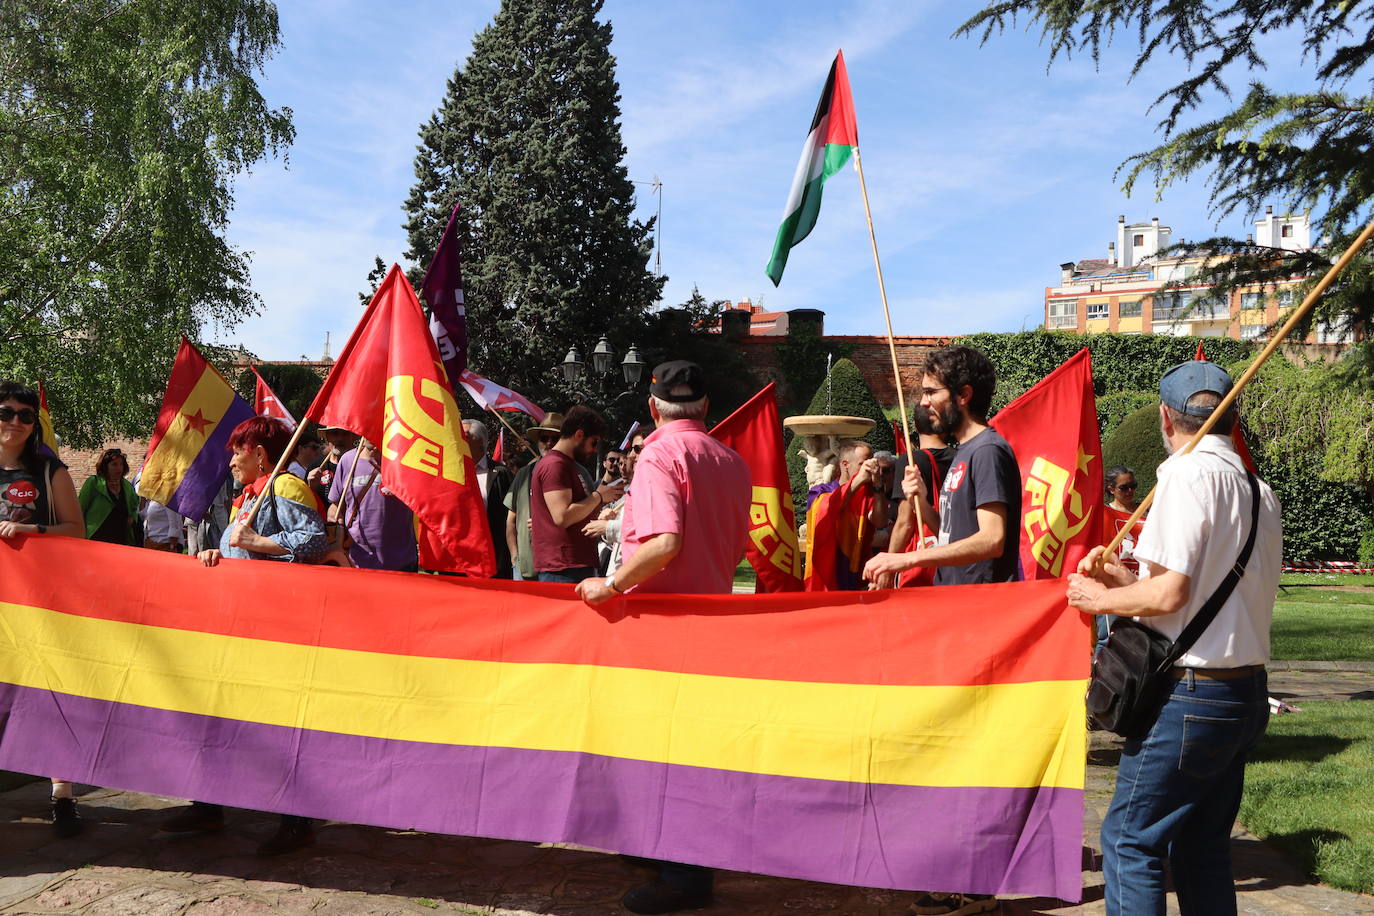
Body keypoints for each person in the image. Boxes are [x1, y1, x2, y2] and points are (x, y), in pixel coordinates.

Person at [1066, 360, 1282, 916]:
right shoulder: (1260, 491)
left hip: (1191, 696)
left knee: (1129, 840)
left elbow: (1168, 598)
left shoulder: (1185, 475)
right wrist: (1118, 580)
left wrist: (1097, 600)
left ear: (1166, 417)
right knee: (1202, 845)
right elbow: (1190, 588)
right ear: (1232, 416)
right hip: (1244, 693)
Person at [576, 360, 751, 915]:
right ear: (706, 408)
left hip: (663, 626)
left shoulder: (657, 454)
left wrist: (611, 583)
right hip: (712, 621)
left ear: (653, 407)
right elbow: (734, 545)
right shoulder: (730, 460)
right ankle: (668, 853)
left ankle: (684, 873)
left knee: (664, 750)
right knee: (685, 750)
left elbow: (664, 543)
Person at [862, 346, 1020, 916]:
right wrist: (925, 509)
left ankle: (972, 885)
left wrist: (902, 563)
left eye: (930, 391)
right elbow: (954, 537)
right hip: (957, 622)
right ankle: (961, 870)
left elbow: (993, 539)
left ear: (963, 396)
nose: (922, 402)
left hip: (980, 625)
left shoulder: (988, 452)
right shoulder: (959, 457)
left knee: (971, 754)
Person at [164, 416, 328, 855]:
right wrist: (221, 551)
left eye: (238, 449)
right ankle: (209, 803)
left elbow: (315, 541)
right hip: (240, 625)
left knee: (274, 722)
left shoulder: (285, 487)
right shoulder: (249, 495)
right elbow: (242, 546)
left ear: (260, 454)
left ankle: (296, 821)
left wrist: (254, 542)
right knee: (219, 710)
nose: (231, 457)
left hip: (272, 629)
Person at [0, 381, 87, 838]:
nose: (15, 421)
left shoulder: (49, 471)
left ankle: (63, 795)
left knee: (47, 696)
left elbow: (77, 531)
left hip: (38, 604)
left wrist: (31, 531)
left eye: (25, 415)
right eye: (6, 412)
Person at [530, 406, 622, 583]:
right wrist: (599, 497)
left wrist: (599, 510)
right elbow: (562, 516)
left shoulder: (566, 465)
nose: (594, 450)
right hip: (563, 568)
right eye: (594, 442)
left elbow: (576, 512)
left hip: (573, 565)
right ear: (579, 435)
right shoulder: (555, 465)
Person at [882, 410, 957, 588]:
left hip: (922, 554)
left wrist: (888, 569)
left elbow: (905, 522)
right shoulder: (962, 458)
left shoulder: (910, 461)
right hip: (956, 552)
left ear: (915, 427)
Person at [803, 438, 888, 590]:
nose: (869, 468)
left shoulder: (868, 494)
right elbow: (828, 509)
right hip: (825, 576)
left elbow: (880, 521)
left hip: (855, 574)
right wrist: (859, 479)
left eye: (872, 462)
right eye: (863, 463)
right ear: (845, 465)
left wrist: (878, 487)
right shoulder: (820, 491)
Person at [327, 438, 418, 571]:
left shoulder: (406, 459)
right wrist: (338, 536)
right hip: (357, 561)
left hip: (402, 562)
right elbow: (335, 507)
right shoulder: (348, 460)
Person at [504, 413, 563, 580]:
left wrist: (546, 523)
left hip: (560, 569)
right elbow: (511, 520)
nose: (549, 443)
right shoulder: (524, 474)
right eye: (544, 438)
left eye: (555, 438)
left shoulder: (575, 472)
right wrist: (515, 558)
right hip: (525, 568)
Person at [1097, 465, 1147, 651]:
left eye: (1133, 485)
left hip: (1141, 585)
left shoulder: (1145, 511)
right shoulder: (1102, 513)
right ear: (1111, 489)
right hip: (1114, 588)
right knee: (1110, 641)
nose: (1130, 491)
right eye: (1124, 487)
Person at [463, 419, 515, 578]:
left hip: (493, 555)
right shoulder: (451, 472)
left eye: (464, 436)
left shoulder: (501, 473)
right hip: (462, 555)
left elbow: (511, 513)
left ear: (480, 442)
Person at [78, 447, 140, 545]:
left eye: (121, 464)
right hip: (95, 539)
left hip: (121, 541)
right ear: (105, 466)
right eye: (114, 464)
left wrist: (132, 518)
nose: (119, 468)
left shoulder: (126, 486)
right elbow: (80, 509)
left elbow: (135, 507)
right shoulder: (93, 483)